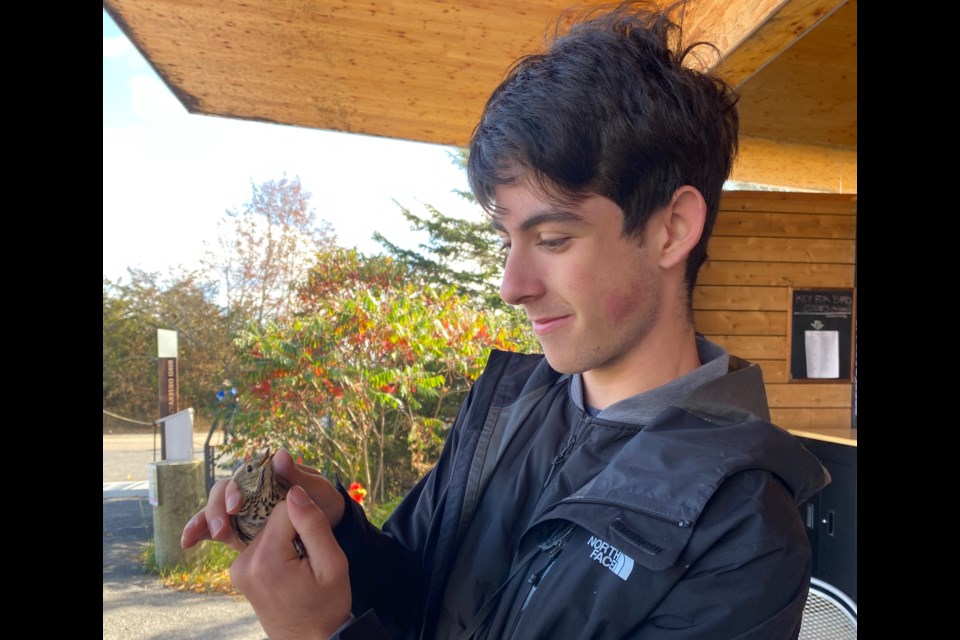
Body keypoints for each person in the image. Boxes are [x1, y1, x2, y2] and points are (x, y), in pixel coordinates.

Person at [181, 1, 830, 638]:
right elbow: (423, 591)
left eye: (551, 239)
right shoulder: (508, 403)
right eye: (506, 242)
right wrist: (337, 532)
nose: (511, 286)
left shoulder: (744, 531)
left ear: (671, 229)